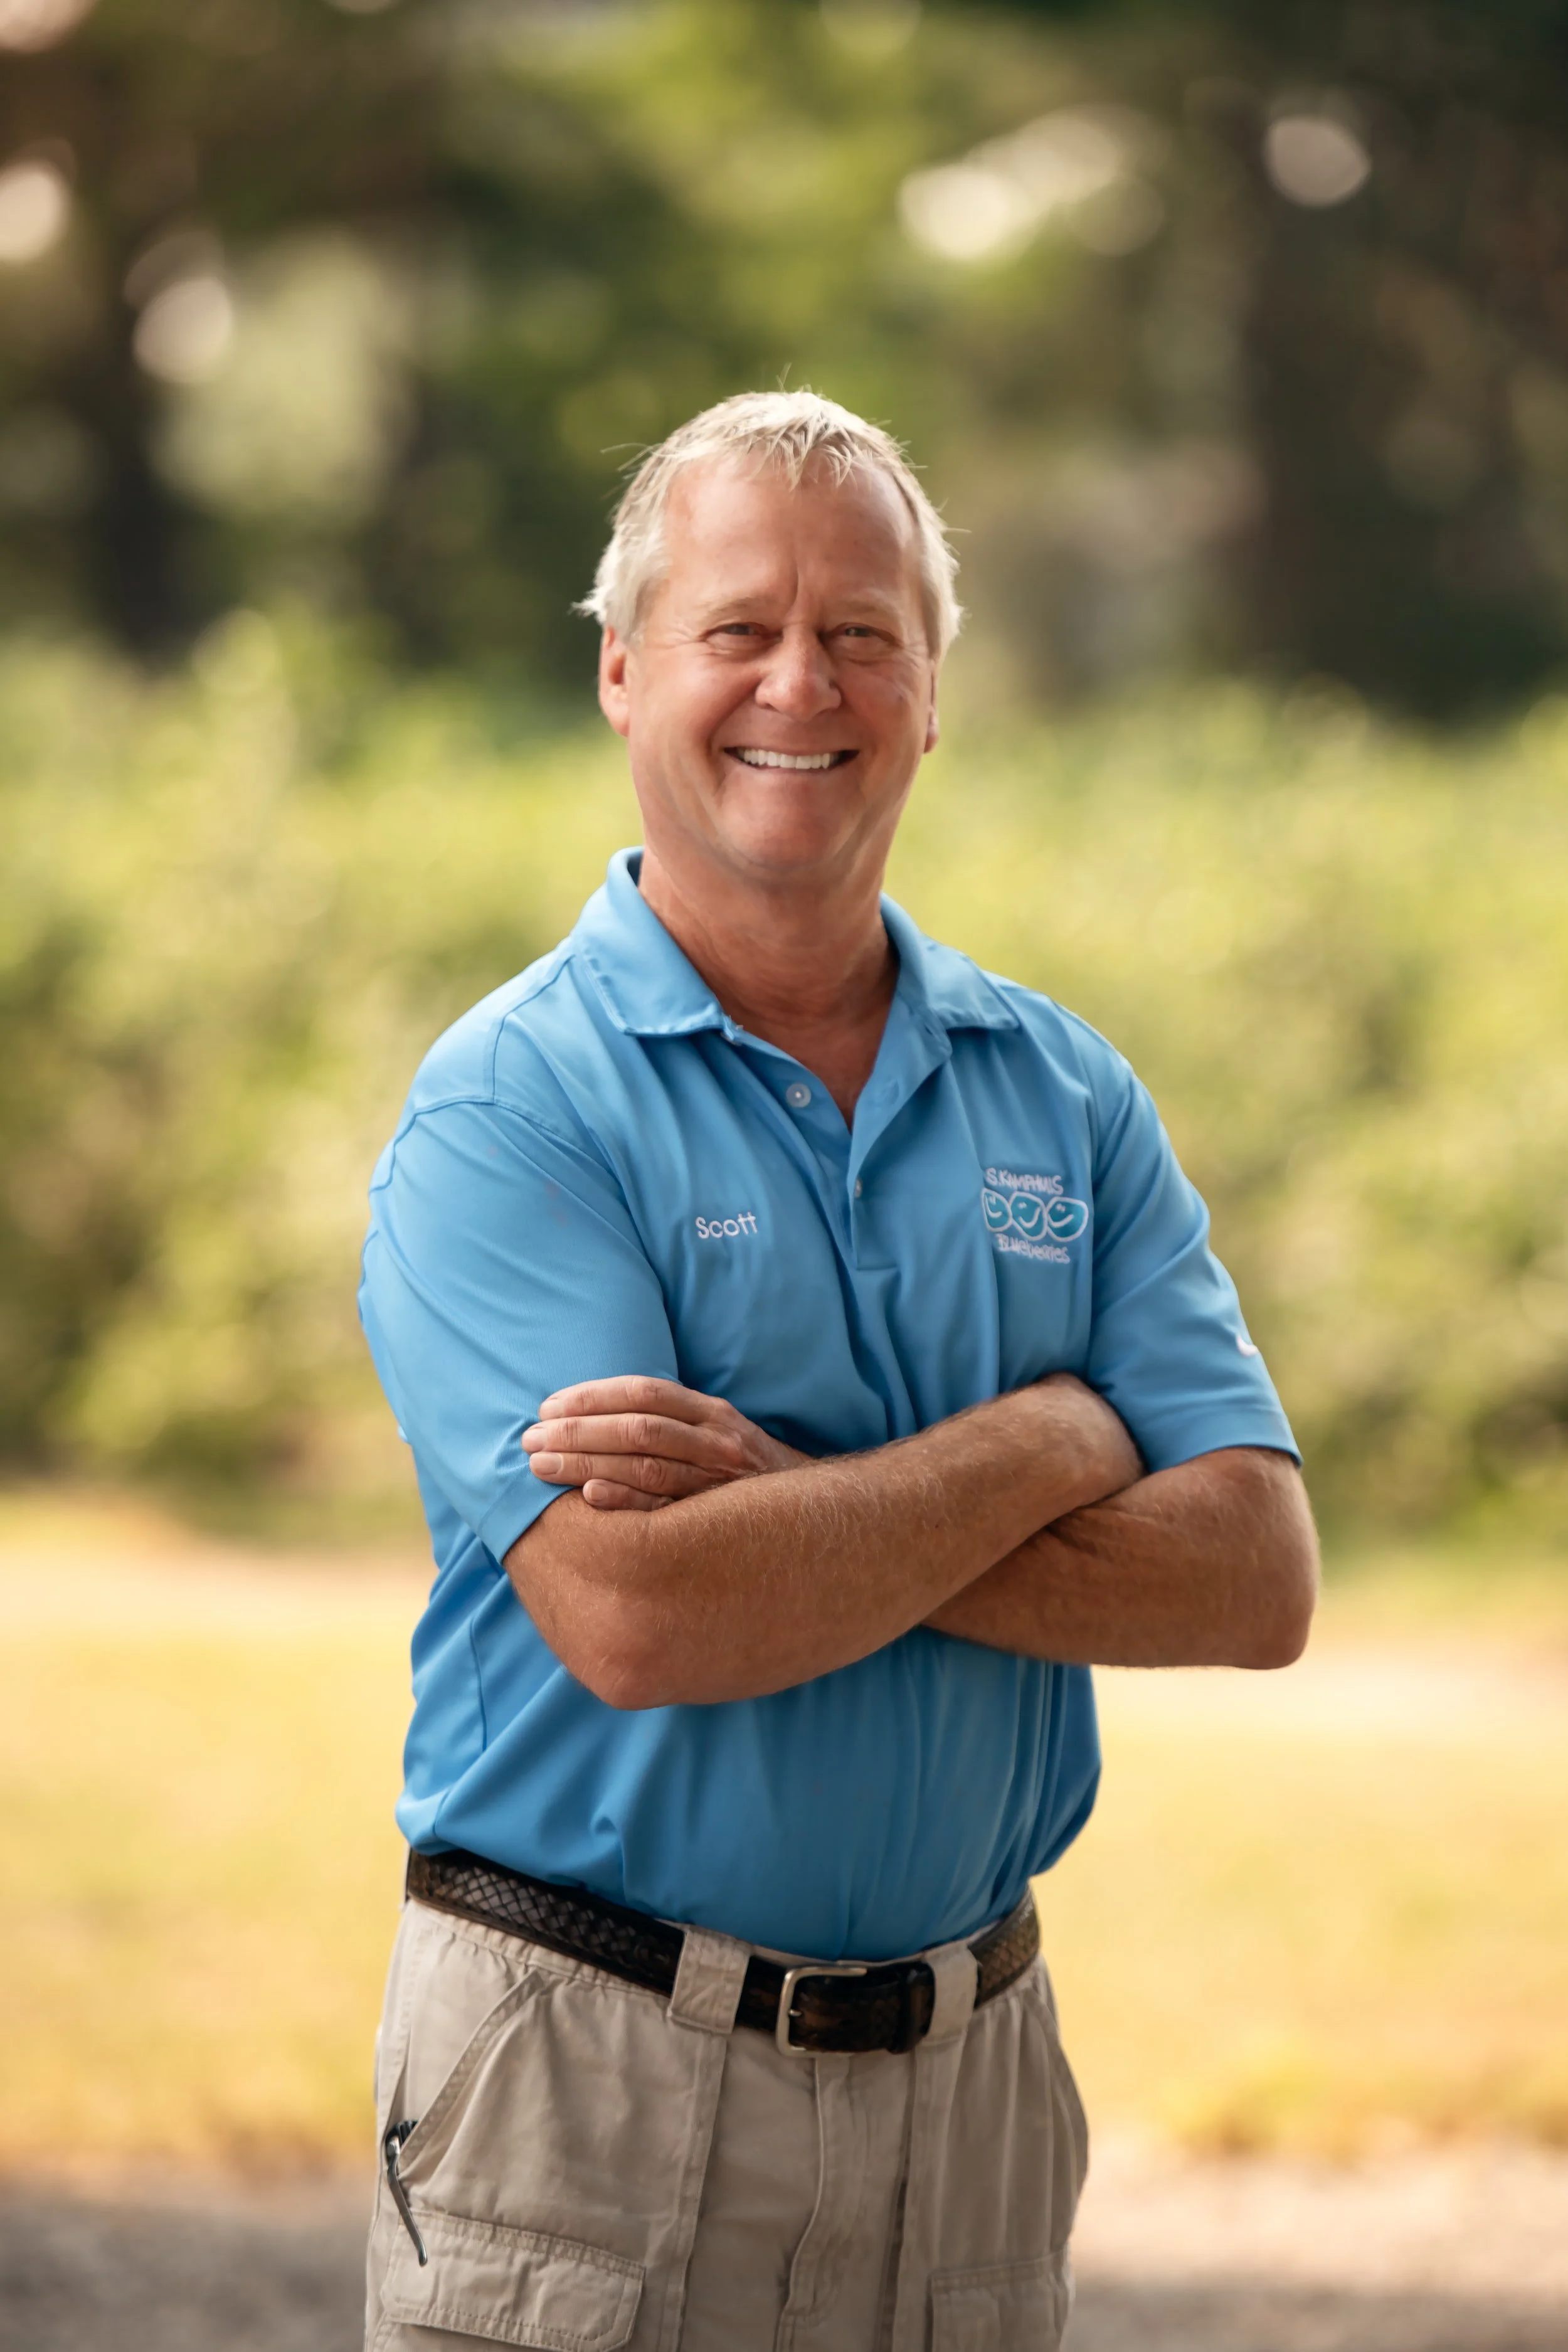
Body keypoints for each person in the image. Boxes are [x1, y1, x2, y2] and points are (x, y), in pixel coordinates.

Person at [357, 389, 1318, 2352]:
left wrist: (786, 1502)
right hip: (586, 2081)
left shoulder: (1064, 1093)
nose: (802, 679)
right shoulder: (508, 1112)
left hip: (973, 2096)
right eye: (738, 626)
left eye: (863, 629)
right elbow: (638, 1606)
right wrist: (1054, 1441)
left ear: (934, 689)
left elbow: (1255, 1578)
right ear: (623, 672)